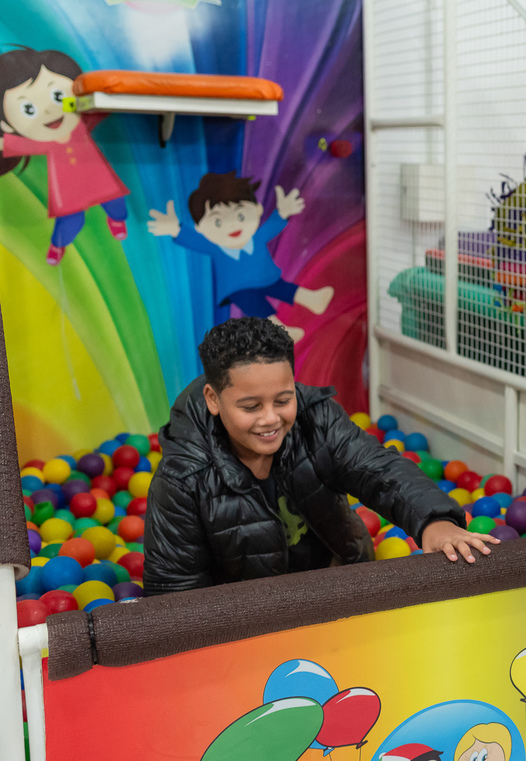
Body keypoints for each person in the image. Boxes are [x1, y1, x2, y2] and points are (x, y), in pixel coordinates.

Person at [143, 317, 497, 594]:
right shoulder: (183, 478)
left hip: (336, 583)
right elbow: (177, 592)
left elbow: (377, 468)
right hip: (249, 623)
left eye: (283, 400)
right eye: (250, 406)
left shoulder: (315, 419)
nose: (270, 419)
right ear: (213, 399)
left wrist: (433, 520)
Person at [148, 172, 334, 343]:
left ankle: (313, 299)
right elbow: (194, 241)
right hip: (238, 289)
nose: (233, 226)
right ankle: (281, 330)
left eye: (241, 215)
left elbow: (272, 227)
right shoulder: (215, 248)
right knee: (254, 303)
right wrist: (176, 228)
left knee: (283, 288)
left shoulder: (257, 238)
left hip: (267, 278)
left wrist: (282, 212)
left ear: (257, 209)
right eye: (218, 221)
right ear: (200, 228)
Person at [0, 47, 129, 265]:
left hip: (100, 179)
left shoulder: (83, 123)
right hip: (68, 191)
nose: (50, 111)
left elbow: (103, 106)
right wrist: (4, 142)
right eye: (28, 109)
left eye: (57, 95)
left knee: (117, 207)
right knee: (71, 223)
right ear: (6, 123)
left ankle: (117, 221)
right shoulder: (41, 142)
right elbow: (18, 144)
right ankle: (57, 246)